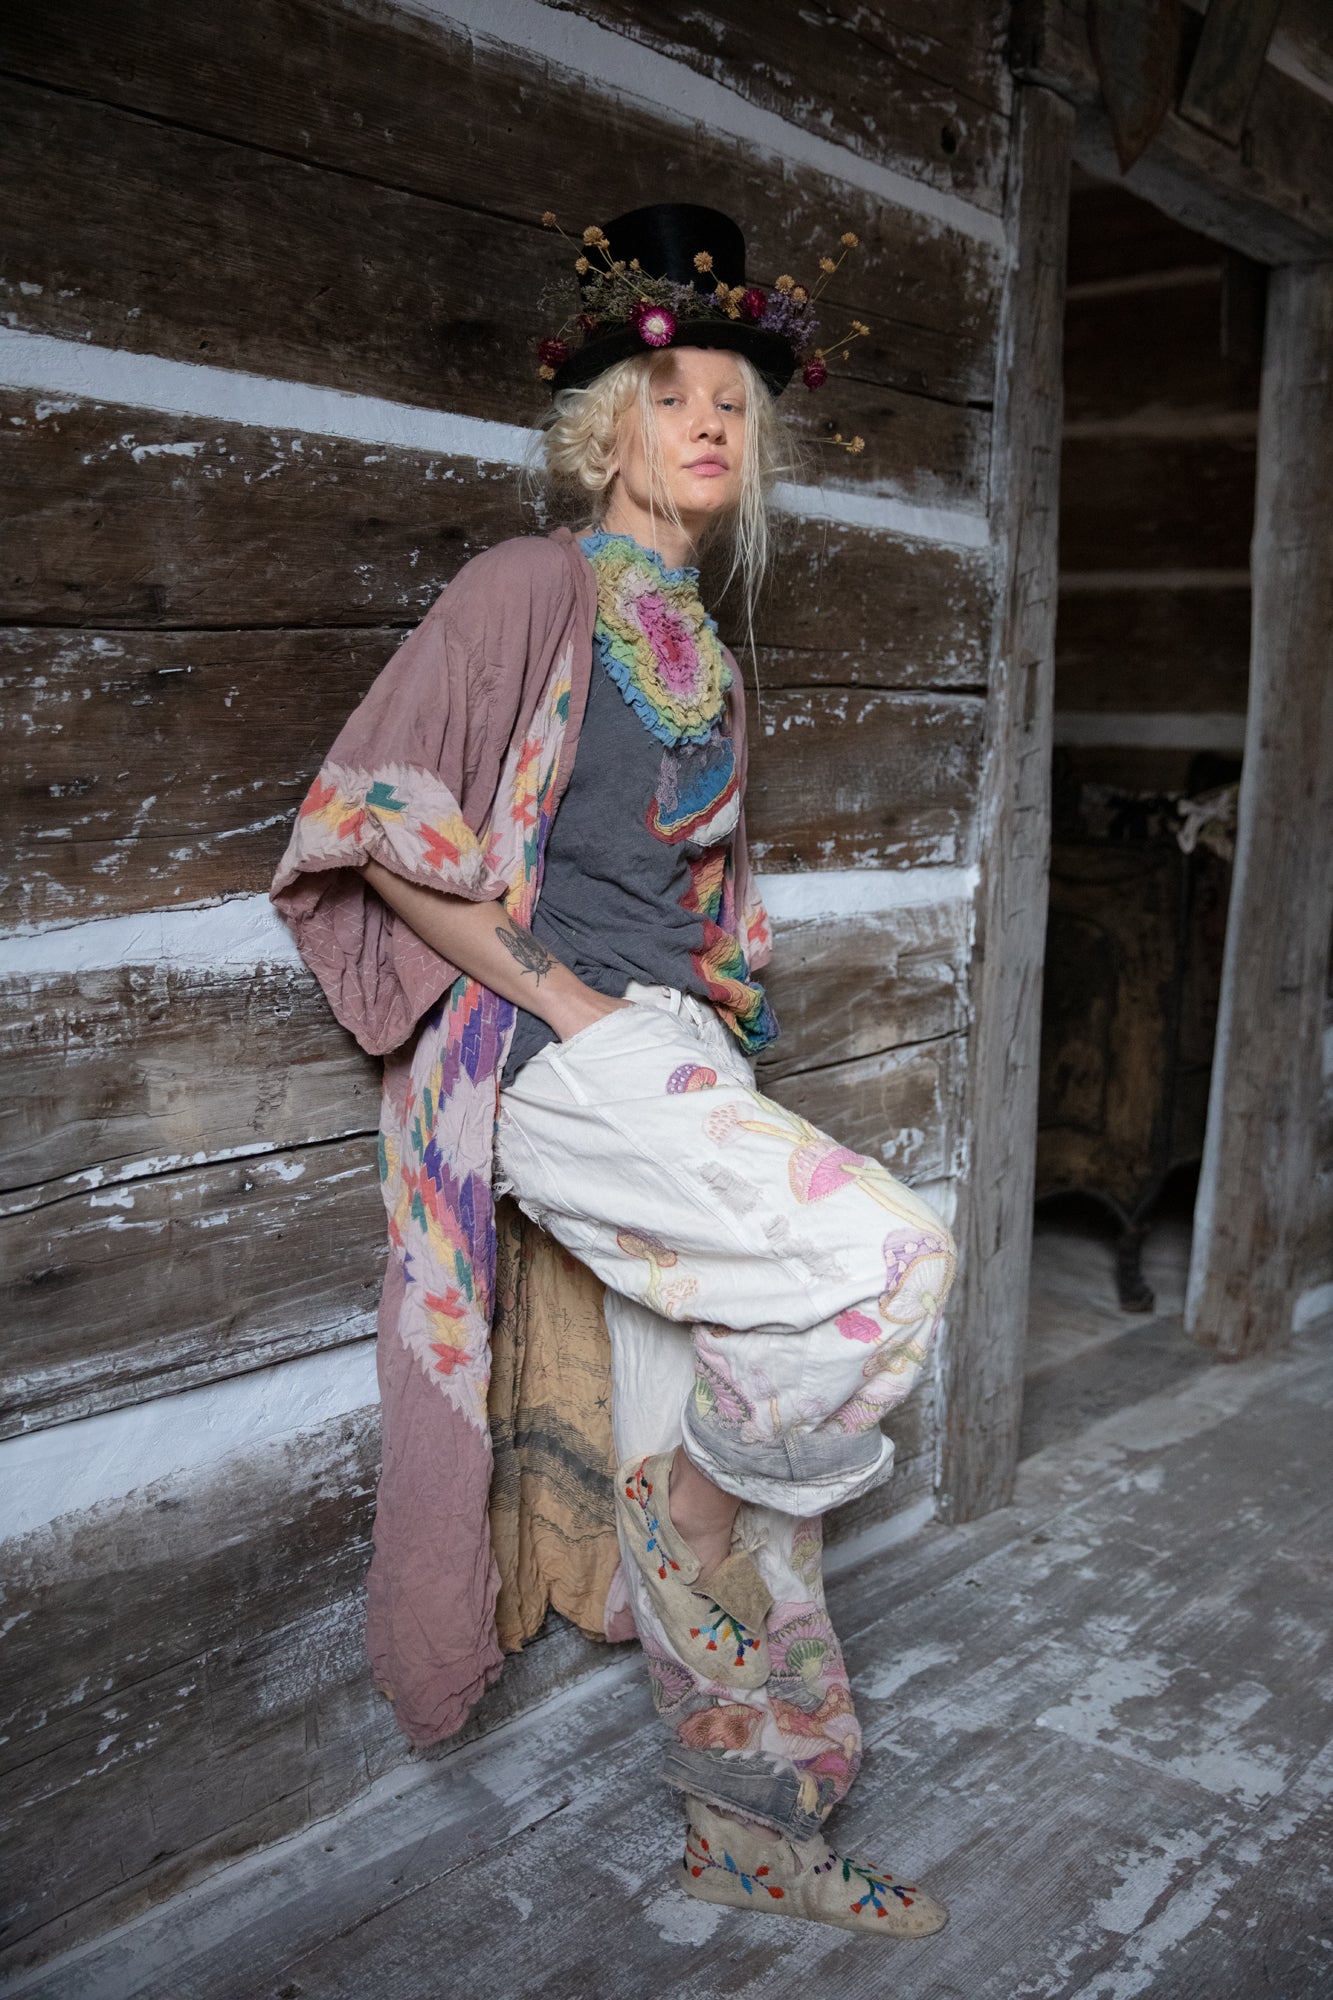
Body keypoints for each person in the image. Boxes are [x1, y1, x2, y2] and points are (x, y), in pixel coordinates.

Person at [271, 203, 956, 1938]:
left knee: (756, 1426)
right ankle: (681, 1515)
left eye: (733, 404)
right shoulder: (530, 584)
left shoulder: (702, 651)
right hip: (561, 1052)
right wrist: (572, 1005)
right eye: (672, 398)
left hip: (669, 1051)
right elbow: (373, 821)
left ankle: (756, 1829)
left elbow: (693, 893)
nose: (708, 424)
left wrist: (700, 1006)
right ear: (602, 430)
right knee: (884, 1261)